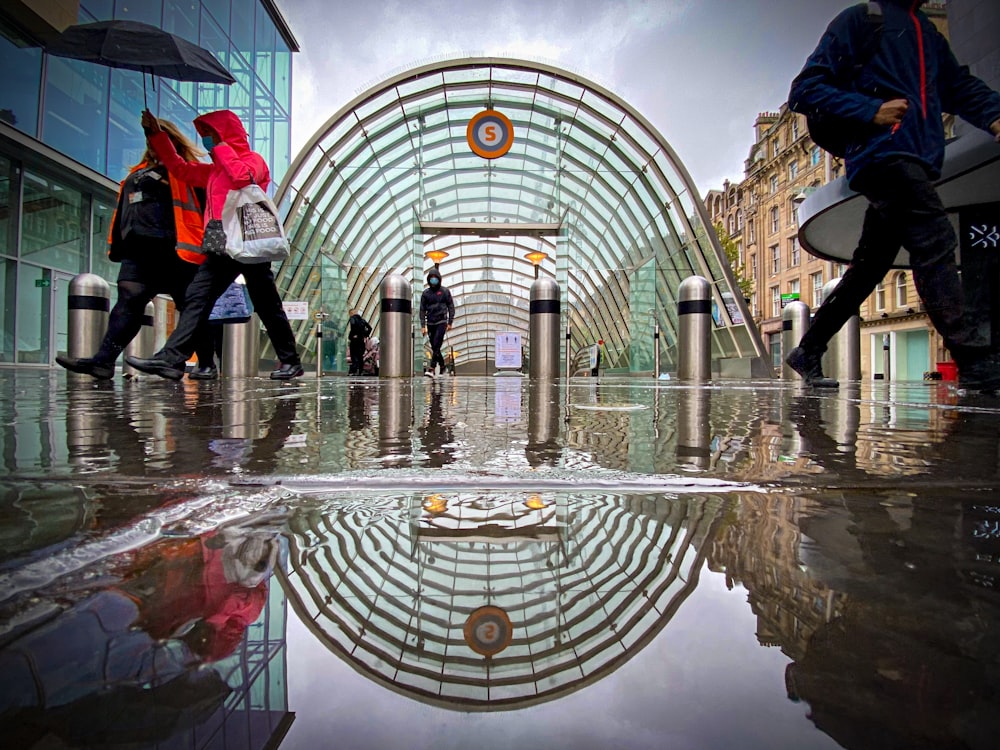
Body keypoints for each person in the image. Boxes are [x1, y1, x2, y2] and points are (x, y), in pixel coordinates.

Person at [786, 0, 1000, 390]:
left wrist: (994, 114)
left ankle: (808, 349)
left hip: (915, 157)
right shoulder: (862, 20)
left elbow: (958, 87)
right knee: (935, 242)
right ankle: (975, 361)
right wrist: (870, 110)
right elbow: (805, 90)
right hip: (884, 155)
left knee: (869, 267)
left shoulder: (928, 32)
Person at [126, 109, 303, 381]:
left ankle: (290, 361)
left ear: (226, 135)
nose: (207, 141)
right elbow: (179, 168)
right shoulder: (212, 171)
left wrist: (221, 147)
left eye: (211, 135)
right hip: (220, 244)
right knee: (197, 298)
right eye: (205, 136)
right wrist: (155, 134)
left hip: (247, 242)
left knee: (266, 304)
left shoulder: (251, 160)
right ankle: (171, 358)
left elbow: (241, 176)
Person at [55, 118, 218, 380]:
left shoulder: (186, 170)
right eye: (149, 138)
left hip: (177, 248)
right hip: (139, 249)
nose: (151, 143)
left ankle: (206, 364)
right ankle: (103, 361)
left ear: (171, 140)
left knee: (190, 306)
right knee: (129, 299)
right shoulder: (138, 170)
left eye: (157, 137)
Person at [419, 267, 454, 377]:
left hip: (441, 321)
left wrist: (450, 322)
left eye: (435, 278)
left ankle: (432, 368)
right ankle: (443, 366)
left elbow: (451, 307)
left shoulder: (444, 292)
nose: (433, 280)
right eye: (431, 278)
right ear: (429, 280)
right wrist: (423, 325)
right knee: (435, 347)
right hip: (430, 322)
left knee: (437, 343)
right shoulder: (426, 294)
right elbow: (422, 310)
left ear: (439, 279)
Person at [347, 308, 372, 375]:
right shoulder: (362, 320)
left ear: (351, 313)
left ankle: (354, 370)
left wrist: (354, 335)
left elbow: (353, 326)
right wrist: (365, 334)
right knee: (360, 356)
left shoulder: (352, 318)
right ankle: (360, 370)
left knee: (353, 355)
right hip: (361, 341)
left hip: (354, 341)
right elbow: (370, 328)